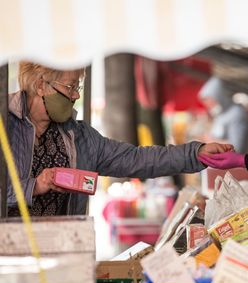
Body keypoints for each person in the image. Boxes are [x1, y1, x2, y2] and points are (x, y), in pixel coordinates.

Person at [7, 62, 233, 217]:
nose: (76, 95)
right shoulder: (4, 125)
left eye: (78, 87)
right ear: (40, 86)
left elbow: (137, 159)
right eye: (70, 87)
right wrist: (34, 186)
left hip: (64, 253)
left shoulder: (80, 137)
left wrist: (195, 153)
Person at [198, 76, 248, 153]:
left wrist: (212, 141)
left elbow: (237, 147)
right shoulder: (220, 114)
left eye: (212, 103)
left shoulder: (236, 113)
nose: (210, 107)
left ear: (218, 96)